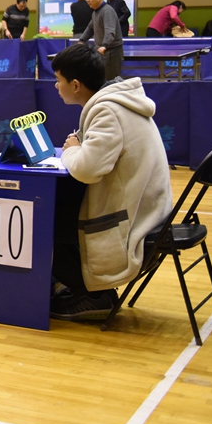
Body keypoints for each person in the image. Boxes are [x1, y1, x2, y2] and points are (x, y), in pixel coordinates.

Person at [50, 43, 172, 320]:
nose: (56, 86)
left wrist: (71, 150)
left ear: (76, 85)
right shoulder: (116, 102)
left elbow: (86, 170)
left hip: (136, 220)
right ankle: (85, 289)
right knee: (61, 209)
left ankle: (93, 295)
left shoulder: (108, 112)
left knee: (45, 222)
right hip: (149, 207)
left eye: (58, 80)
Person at [78, 0, 124, 80]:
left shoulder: (107, 11)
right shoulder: (95, 12)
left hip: (111, 52)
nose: (88, 0)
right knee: (101, 80)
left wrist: (104, 45)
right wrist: (82, 40)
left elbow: (110, 30)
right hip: (101, 51)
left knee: (110, 82)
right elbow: (90, 28)